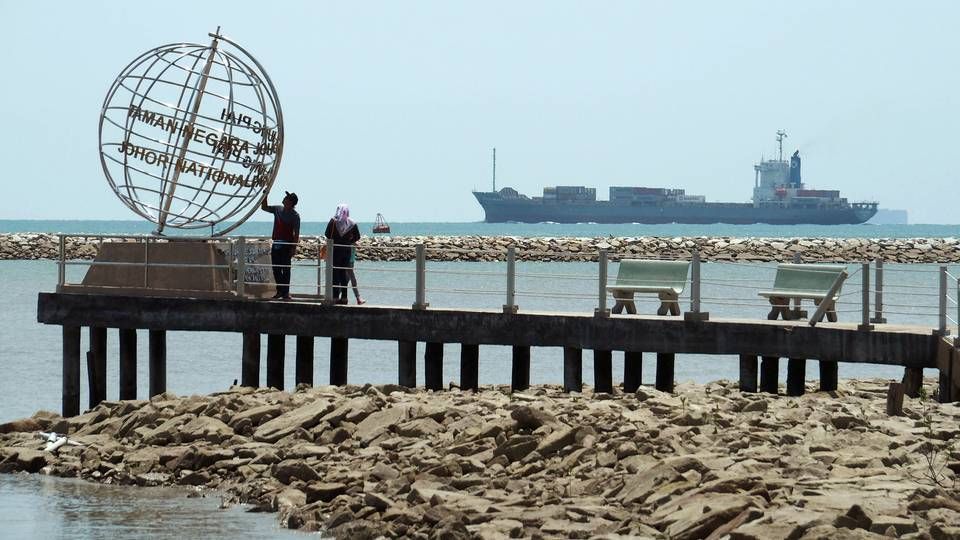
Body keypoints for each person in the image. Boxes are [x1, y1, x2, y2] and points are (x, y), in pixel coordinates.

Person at [260, 190, 300, 299]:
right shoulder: (277, 209)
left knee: (286, 269)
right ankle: (280, 291)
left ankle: (285, 293)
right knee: (276, 269)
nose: (284, 199)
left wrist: (294, 247)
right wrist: (265, 195)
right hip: (276, 243)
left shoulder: (295, 216)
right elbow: (264, 207)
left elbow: (296, 233)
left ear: (290, 202)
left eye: (286, 198)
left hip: (286, 245)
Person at [324, 203, 361, 304]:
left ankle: (335, 297)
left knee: (335, 273)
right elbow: (357, 236)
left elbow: (327, 234)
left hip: (335, 250)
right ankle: (344, 297)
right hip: (347, 250)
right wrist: (349, 240)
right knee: (343, 274)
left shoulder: (333, 221)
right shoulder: (352, 223)